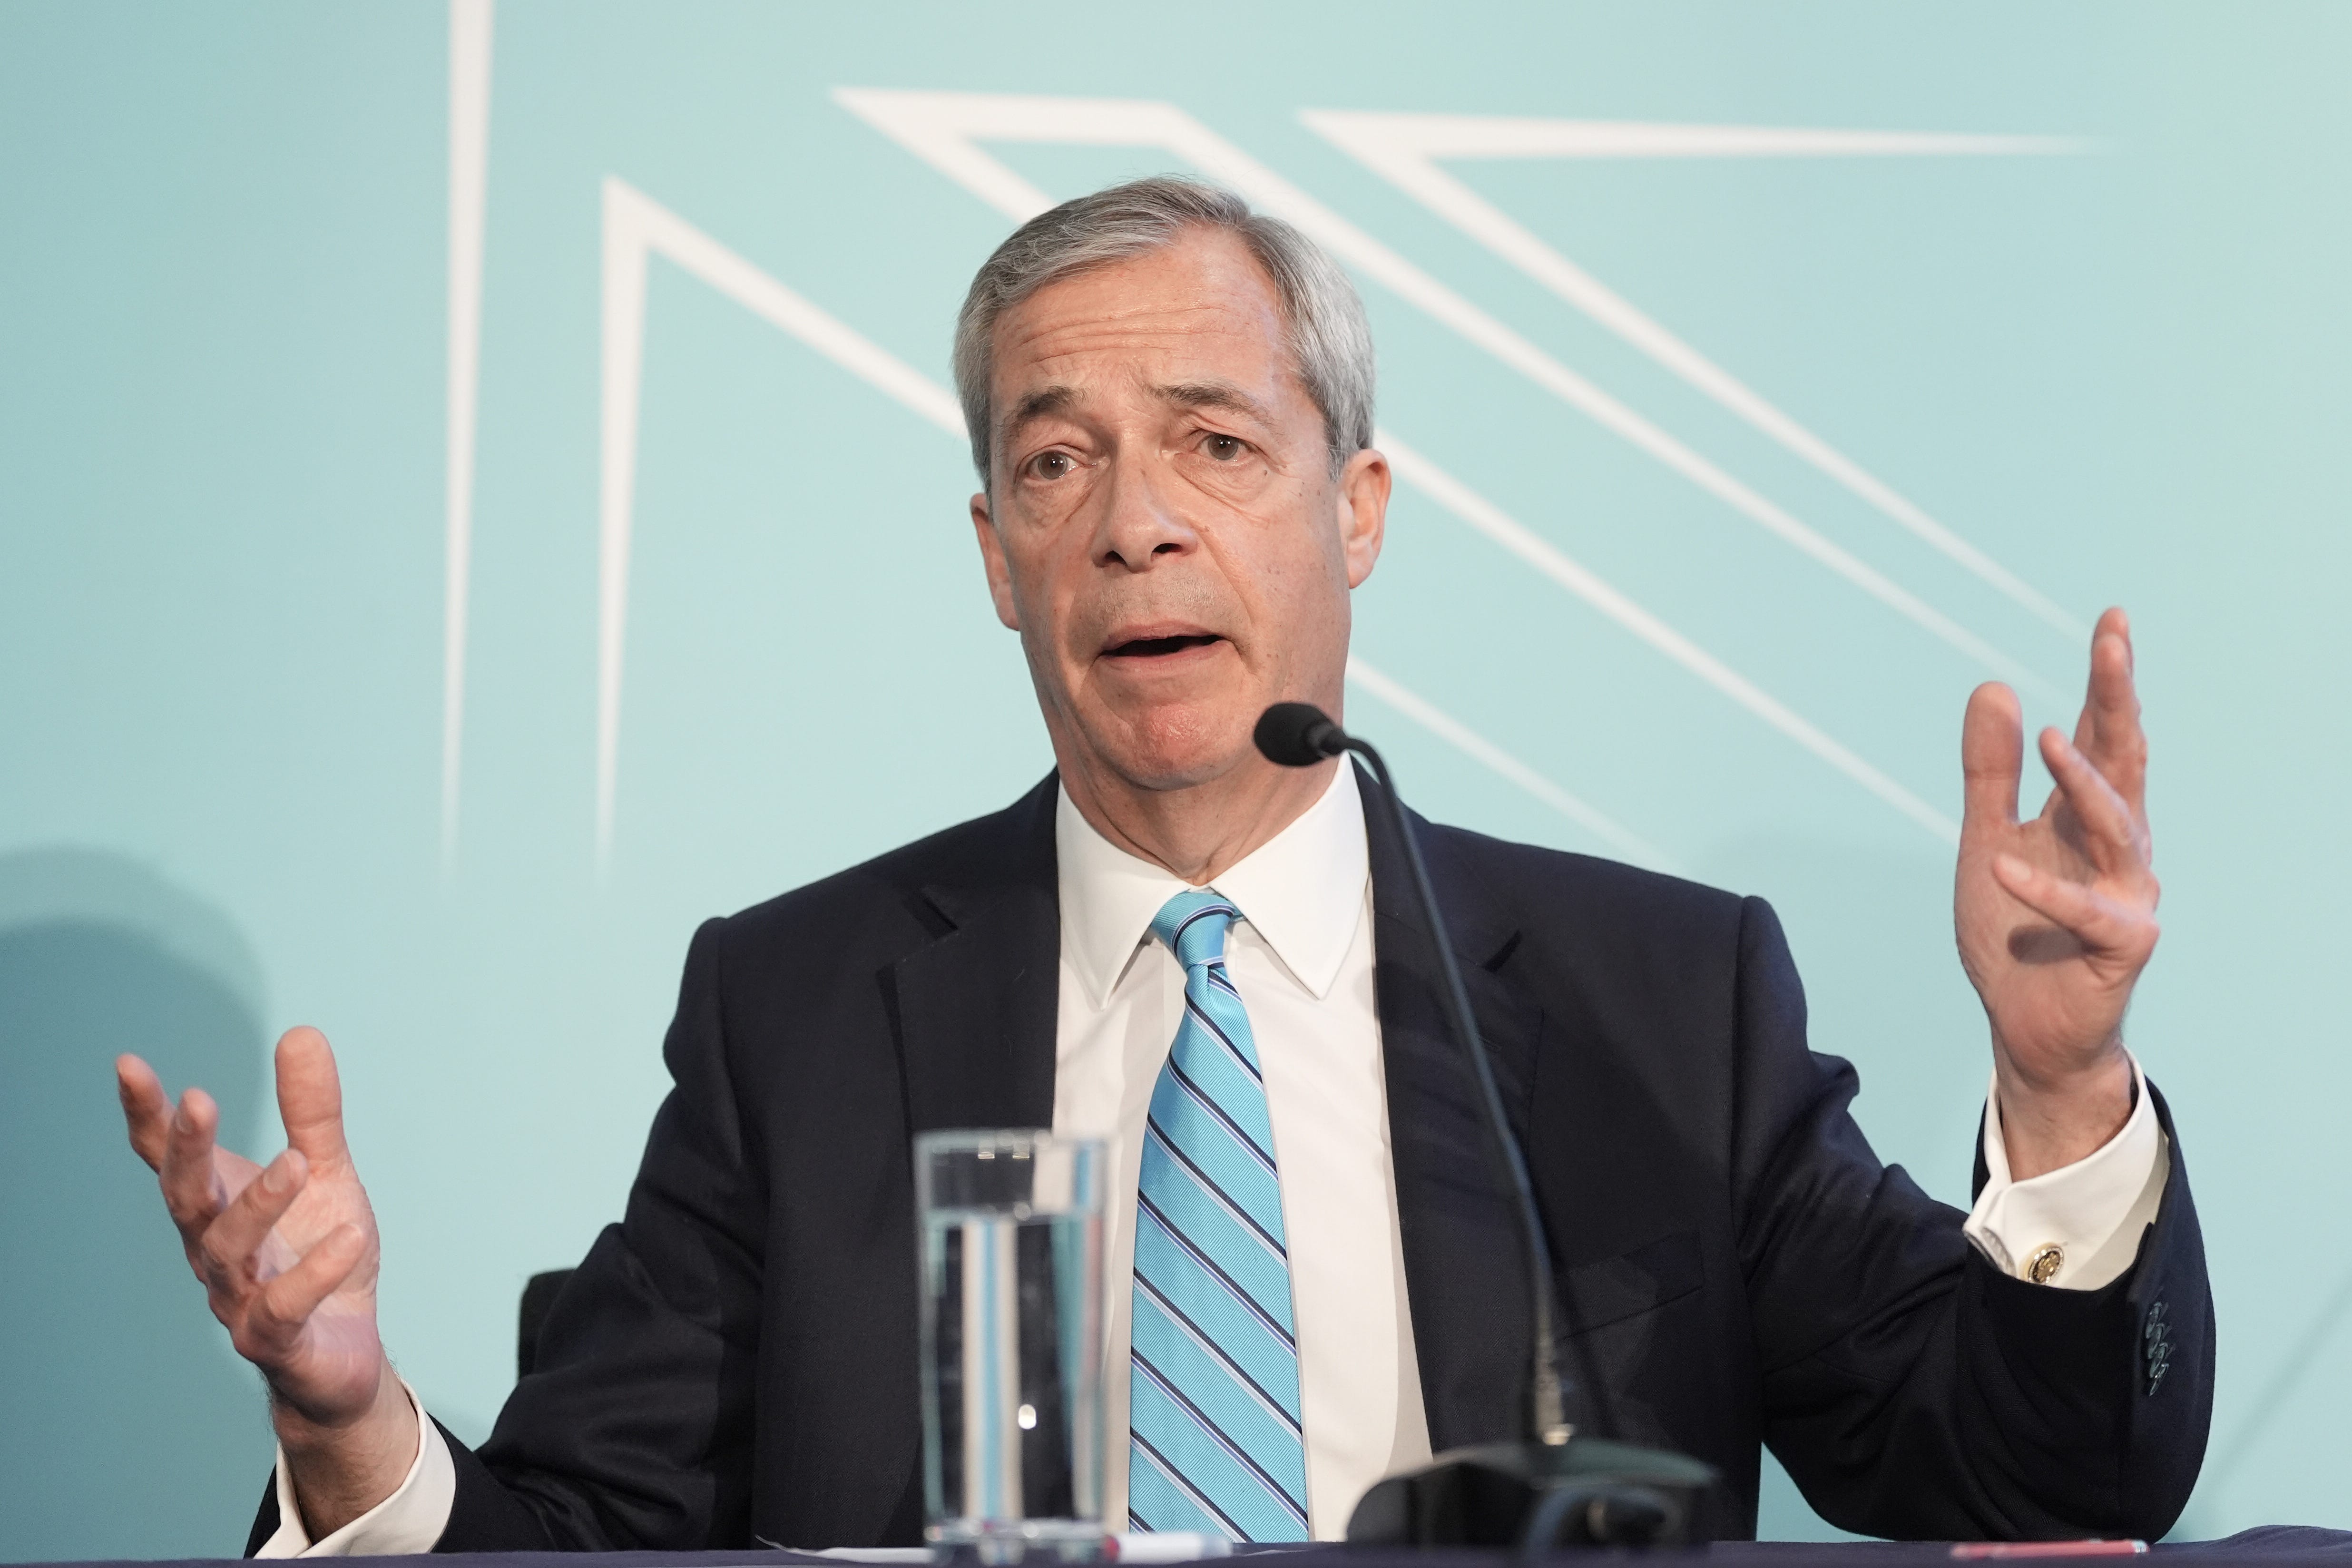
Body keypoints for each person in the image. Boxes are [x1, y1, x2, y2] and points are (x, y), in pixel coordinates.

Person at [117, 177, 2208, 1550]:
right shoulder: (805, 1014)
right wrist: (351, 1421)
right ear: (995, 558)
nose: (1132, 524)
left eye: (1215, 442)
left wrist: (2059, 1092)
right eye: (1054, 462)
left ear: (1358, 503)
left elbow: (2040, 1463)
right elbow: (575, 1532)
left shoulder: (1658, 996)